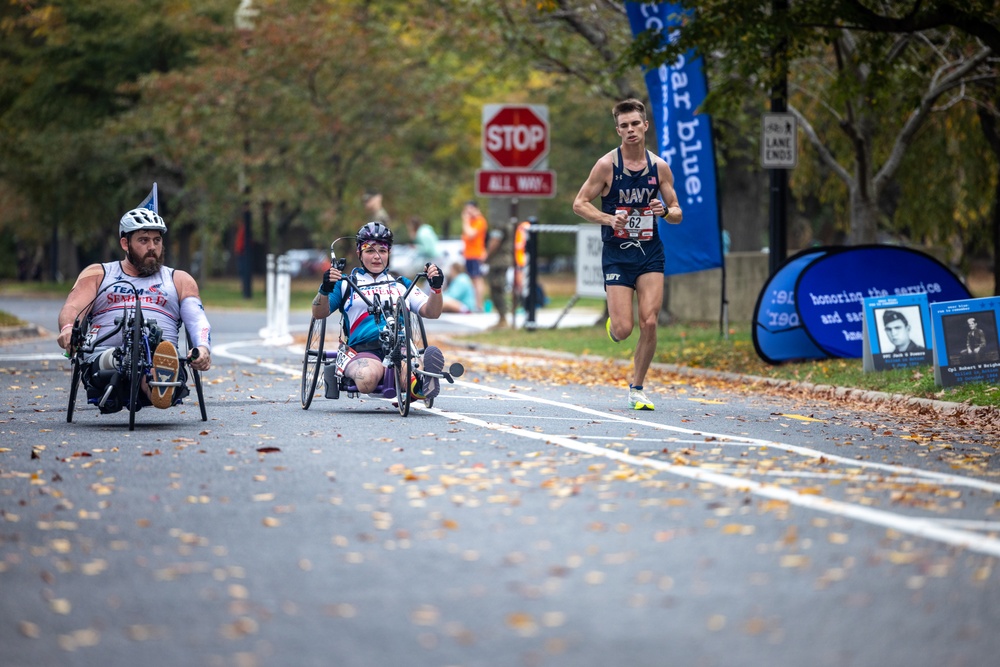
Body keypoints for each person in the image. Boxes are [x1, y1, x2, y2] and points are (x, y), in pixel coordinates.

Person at [572, 98, 683, 411]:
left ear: (645, 126)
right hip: (617, 254)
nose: (631, 130)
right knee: (624, 330)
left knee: (650, 322)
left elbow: (677, 212)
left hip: (649, 252)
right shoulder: (607, 165)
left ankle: (637, 387)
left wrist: (666, 211)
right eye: (624, 126)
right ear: (618, 130)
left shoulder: (659, 167)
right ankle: (614, 325)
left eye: (636, 124)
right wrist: (609, 219)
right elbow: (580, 203)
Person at [56, 208, 212, 413]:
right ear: (125, 243)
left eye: (157, 240)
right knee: (120, 360)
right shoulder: (98, 273)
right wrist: (68, 329)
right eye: (143, 240)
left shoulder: (179, 279)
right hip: (104, 363)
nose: (152, 247)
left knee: (155, 361)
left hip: (160, 354)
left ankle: (157, 381)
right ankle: (148, 377)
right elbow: (73, 307)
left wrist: (202, 348)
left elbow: (197, 319)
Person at [311, 221, 447, 404]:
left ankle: (420, 384)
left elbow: (432, 312)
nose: (377, 257)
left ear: (389, 254)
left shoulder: (401, 284)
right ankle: (413, 383)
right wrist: (325, 289)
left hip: (401, 349)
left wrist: (436, 289)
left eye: (382, 251)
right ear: (359, 253)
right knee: (367, 380)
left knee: (408, 372)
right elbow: (318, 313)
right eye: (370, 251)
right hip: (363, 351)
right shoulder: (346, 284)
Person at [461, 200, 488, 312]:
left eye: (470, 209)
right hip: (468, 255)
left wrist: (465, 221)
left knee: (477, 280)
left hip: (476, 254)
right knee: (472, 280)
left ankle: (479, 306)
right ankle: (474, 304)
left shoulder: (480, 221)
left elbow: (471, 234)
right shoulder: (471, 221)